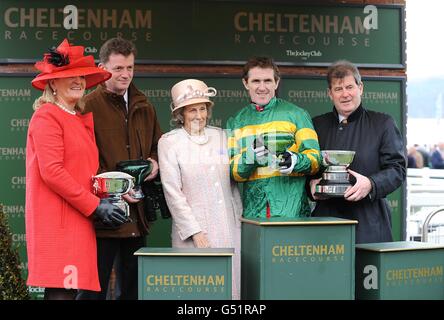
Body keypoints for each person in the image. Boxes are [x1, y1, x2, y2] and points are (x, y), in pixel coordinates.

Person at [26, 39, 129, 300]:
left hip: (78, 219)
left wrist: (112, 195)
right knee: (61, 292)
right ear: (52, 83)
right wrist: (95, 206)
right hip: (58, 222)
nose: (78, 81)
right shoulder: (47, 116)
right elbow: (52, 171)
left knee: (70, 292)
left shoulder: (75, 118)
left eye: (82, 76)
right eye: (69, 76)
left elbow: (85, 175)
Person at [76, 38, 162, 300]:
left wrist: (155, 162)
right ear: (103, 67)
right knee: (93, 291)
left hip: (136, 214)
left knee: (134, 291)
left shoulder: (144, 104)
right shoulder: (87, 105)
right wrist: (116, 189)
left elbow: (158, 146)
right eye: (118, 68)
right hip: (103, 215)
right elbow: (83, 160)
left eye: (130, 68)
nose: (125, 74)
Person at [158, 79, 242, 299]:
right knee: (198, 292)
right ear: (181, 114)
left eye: (202, 108)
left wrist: (239, 217)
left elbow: (232, 182)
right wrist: (194, 231)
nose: (199, 115)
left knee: (230, 290)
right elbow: (172, 191)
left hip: (228, 227)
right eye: (192, 110)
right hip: (194, 233)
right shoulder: (169, 142)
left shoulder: (221, 136)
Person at [308, 60, 406, 244]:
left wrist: (370, 184)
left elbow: (397, 169)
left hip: (370, 223)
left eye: (349, 87)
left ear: (360, 88)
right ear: (330, 93)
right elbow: (305, 168)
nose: (345, 94)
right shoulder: (316, 125)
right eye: (338, 89)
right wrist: (310, 186)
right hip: (326, 223)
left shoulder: (383, 123)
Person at [226, 56, 321, 218]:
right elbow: (233, 172)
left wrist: (295, 161)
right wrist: (252, 155)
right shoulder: (235, 121)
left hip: (293, 213)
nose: (262, 87)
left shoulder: (297, 114)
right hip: (254, 215)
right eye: (256, 81)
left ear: (276, 83)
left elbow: (315, 159)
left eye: (268, 81)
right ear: (245, 83)